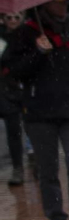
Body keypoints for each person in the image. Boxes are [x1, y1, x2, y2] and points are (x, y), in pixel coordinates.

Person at [1, 0, 69, 220]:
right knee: (47, 170)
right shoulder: (25, 33)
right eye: (58, 2)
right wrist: (38, 53)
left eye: (65, 2)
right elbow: (12, 72)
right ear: (44, 4)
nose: (63, 6)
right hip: (39, 114)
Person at [2, 10, 26, 185]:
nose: (12, 20)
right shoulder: (2, 36)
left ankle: (20, 167)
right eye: (9, 17)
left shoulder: (25, 36)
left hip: (15, 90)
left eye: (16, 17)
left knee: (15, 131)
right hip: (3, 89)